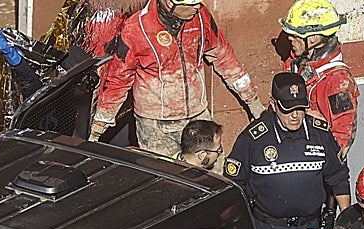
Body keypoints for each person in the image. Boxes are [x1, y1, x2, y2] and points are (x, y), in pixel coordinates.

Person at [224, 72, 351, 229]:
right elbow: (235, 188)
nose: (295, 115)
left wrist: (346, 222)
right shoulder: (253, 139)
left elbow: (338, 176)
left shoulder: (319, 134)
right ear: (273, 104)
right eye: (287, 108)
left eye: (300, 108)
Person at [89, 0, 262, 155]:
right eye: (191, 3)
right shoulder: (136, 29)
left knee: (214, 177)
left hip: (197, 116)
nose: (197, 7)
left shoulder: (201, 18)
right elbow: (118, 82)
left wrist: (252, 102)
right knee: (168, 181)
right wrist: (98, 128)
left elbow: (224, 57)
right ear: (169, 2)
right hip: (156, 127)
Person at [278, 0, 359, 157]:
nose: (289, 39)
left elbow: (341, 139)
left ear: (313, 38)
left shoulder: (337, 81)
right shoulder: (295, 63)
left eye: (294, 35)